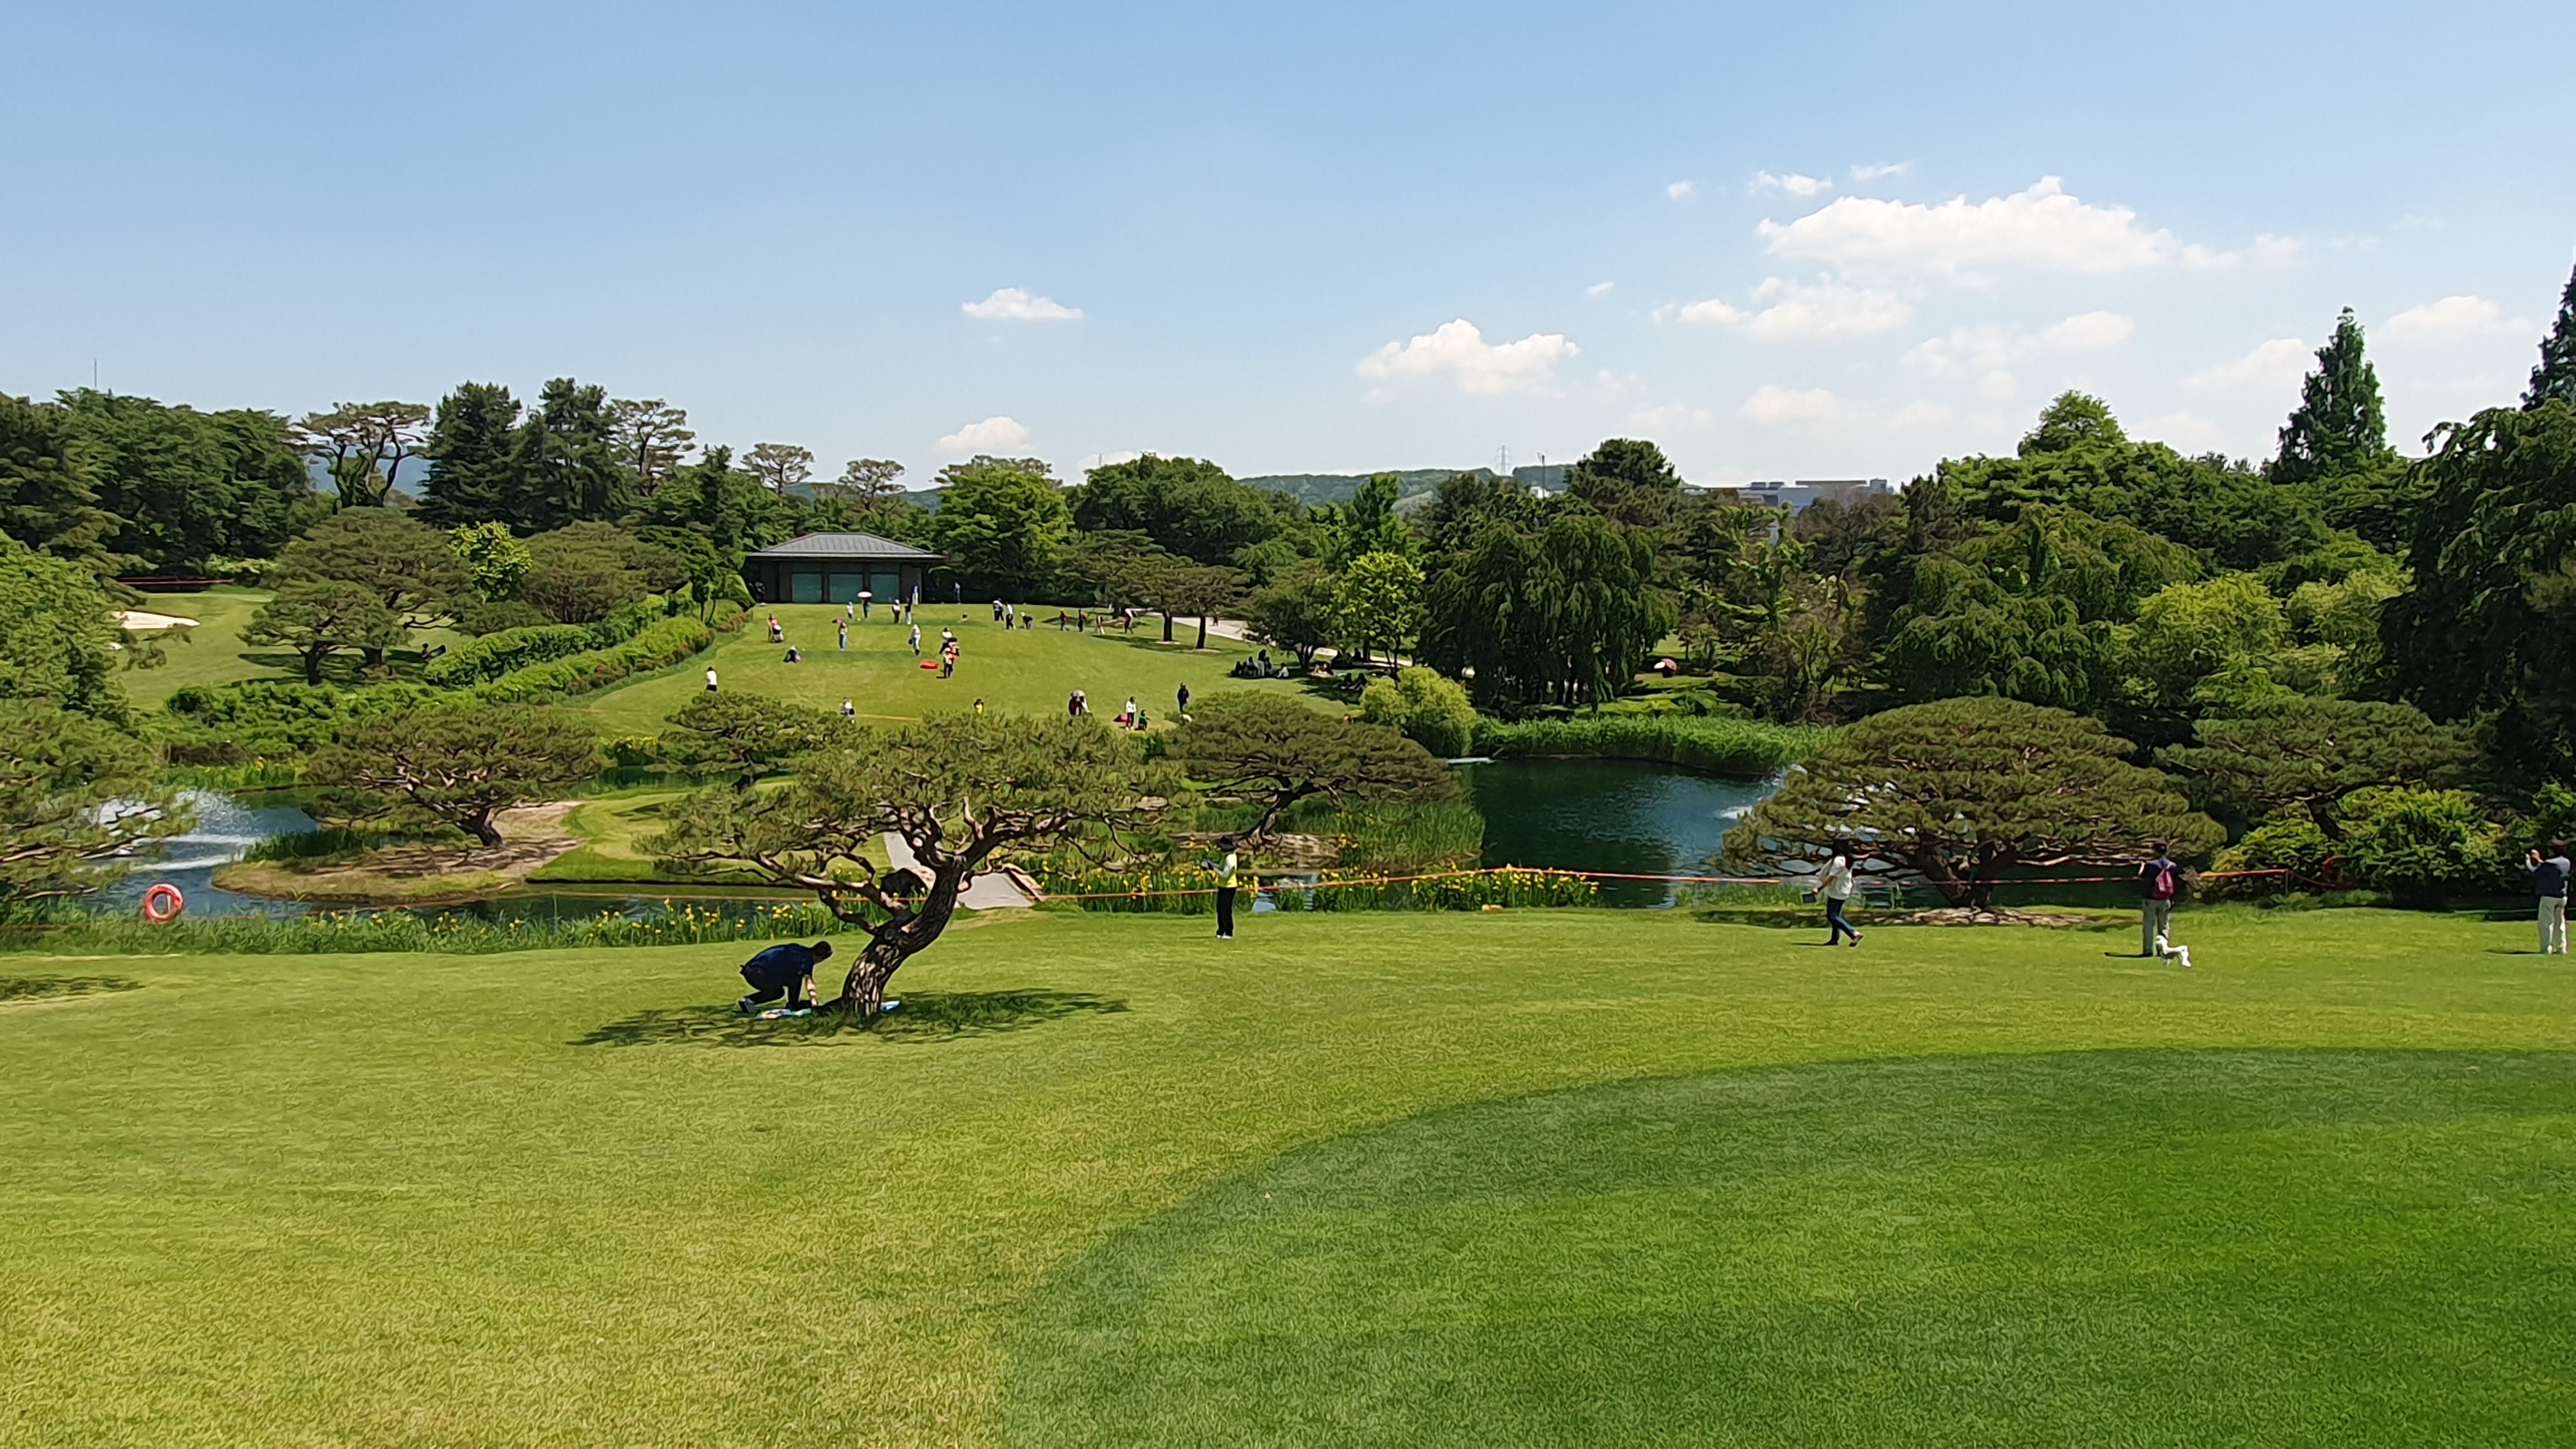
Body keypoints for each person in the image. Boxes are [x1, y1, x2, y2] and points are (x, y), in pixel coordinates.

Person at [737, 939, 832, 1015]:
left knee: (778, 992)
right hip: (759, 974)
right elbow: (809, 982)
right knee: (796, 979)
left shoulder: (799, 949)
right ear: (821, 958)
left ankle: (749, 1001)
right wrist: (814, 1000)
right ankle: (793, 1005)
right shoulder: (807, 959)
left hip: (751, 971)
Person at [1808, 842, 1861, 946]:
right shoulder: (1847, 859)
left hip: (1837, 891)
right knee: (1836, 915)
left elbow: (1831, 878)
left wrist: (1820, 889)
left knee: (1832, 916)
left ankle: (1853, 933)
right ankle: (1835, 939)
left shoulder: (1838, 861)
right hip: (1843, 890)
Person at [2138, 841, 2180, 956]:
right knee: (2164, 925)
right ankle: (2163, 949)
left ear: (2155, 851)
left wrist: (2142, 866)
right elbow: (2175, 882)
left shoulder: (2151, 865)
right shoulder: (2172, 866)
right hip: (2166, 898)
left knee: (2149, 925)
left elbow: (2142, 876)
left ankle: (2148, 950)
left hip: (2151, 898)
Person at [2532, 840, 2572, 954]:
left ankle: (2547, 948)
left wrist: (2531, 861)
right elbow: (2551, 868)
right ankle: (2561, 948)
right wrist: (2541, 861)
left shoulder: (2549, 863)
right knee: (2560, 923)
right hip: (2562, 896)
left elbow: (2537, 872)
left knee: (2546, 923)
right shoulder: (2566, 862)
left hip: (2549, 896)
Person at [1214, 837, 1240, 940]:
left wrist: (1213, 869)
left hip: (1229, 886)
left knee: (1226, 910)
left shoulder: (1231, 859)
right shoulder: (1226, 857)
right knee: (1220, 909)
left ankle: (1228, 931)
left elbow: (1225, 874)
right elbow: (1221, 867)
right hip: (1222, 886)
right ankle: (1221, 930)